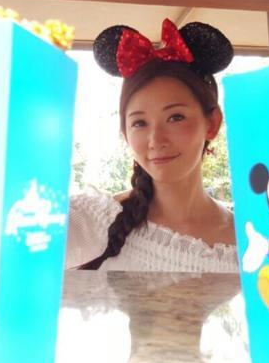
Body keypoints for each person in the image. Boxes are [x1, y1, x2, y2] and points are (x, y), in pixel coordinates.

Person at [66, 19, 238, 272]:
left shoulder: (256, 241)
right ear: (125, 133)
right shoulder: (92, 220)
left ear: (212, 123)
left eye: (175, 117)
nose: (156, 140)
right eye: (139, 123)